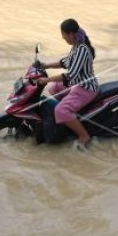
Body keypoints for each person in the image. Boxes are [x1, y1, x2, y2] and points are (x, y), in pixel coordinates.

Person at [37, 19, 99, 150]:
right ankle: (70, 117)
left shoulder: (82, 49)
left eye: (63, 34)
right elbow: (65, 62)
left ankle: (83, 135)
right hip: (76, 84)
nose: (62, 37)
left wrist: (46, 80)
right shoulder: (76, 46)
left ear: (71, 34)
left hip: (86, 88)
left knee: (60, 110)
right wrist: (45, 65)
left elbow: (71, 75)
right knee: (54, 88)